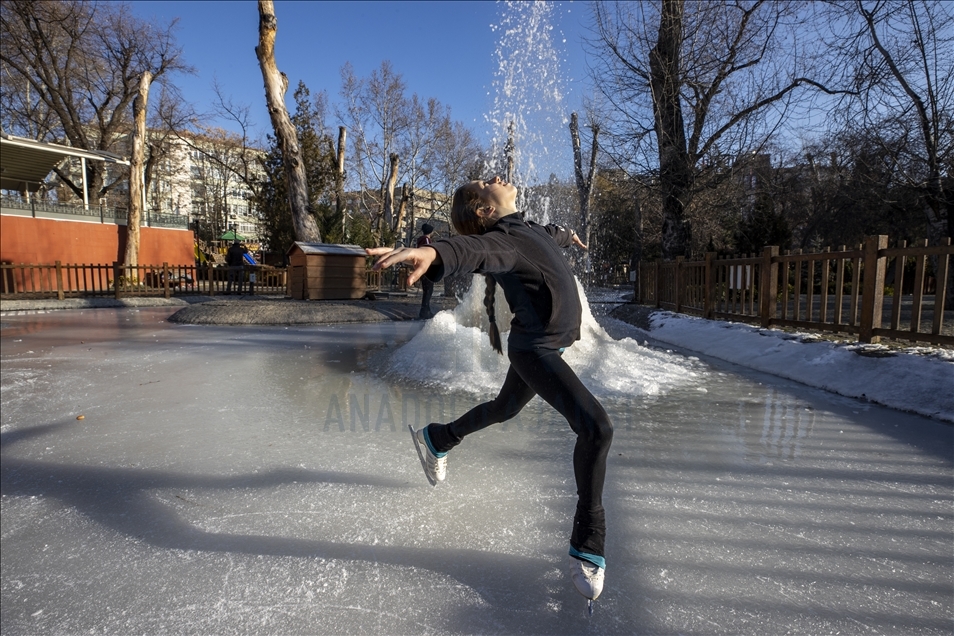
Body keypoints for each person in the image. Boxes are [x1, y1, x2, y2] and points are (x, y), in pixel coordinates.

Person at [367, 176, 613, 602]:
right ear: (484, 210)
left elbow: (546, 234)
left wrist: (566, 236)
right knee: (597, 428)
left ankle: (438, 437)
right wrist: (432, 251)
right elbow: (471, 251)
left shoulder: (528, 230)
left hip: (542, 344)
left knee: (504, 408)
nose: (494, 177)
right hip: (535, 350)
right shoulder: (502, 242)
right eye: (484, 184)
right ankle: (586, 544)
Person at [416, 223, 436, 318]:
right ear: (430, 231)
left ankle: (425, 310)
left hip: (422, 267)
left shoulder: (420, 240)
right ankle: (424, 311)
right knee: (429, 290)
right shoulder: (426, 240)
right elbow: (428, 252)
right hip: (427, 269)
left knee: (427, 290)